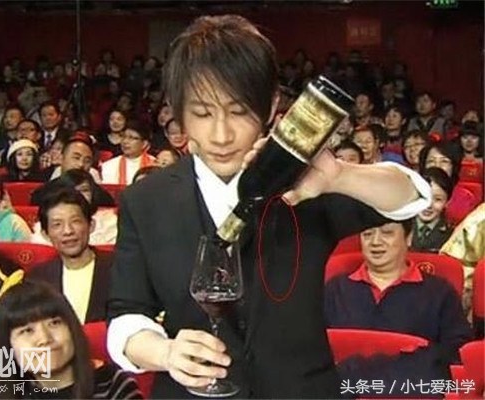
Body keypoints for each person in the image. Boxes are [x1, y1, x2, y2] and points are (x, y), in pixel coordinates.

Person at [106, 15, 431, 399]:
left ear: (272, 106)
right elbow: (125, 316)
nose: (221, 135)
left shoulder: (305, 184)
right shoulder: (146, 200)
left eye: (239, 111)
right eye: (203, 113)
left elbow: (409, 197)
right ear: (176, 112)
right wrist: (165, 352)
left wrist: (340, 176)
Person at [325, 220, 472, 395]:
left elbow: (457, 353)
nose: (375, 242)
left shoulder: (440, 292)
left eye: (387, 233)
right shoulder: (335, 289)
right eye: (367, 234)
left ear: (408, 237)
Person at [0, 281, 142, 399]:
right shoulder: (3, 394)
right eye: (27, 331)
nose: (45, 339)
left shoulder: (114, 386)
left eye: (54, 323)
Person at [27, 189, 114, 323]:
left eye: (75, 221)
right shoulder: (37, 279)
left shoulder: (118, 268)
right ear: (45, 234)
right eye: (57, 224)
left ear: (91, 225)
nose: (68, 231)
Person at [410, 167, 453, 253]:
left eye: (438, 199)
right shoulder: (401, 227)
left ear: (447, 202)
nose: (429, 205)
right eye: (423, 197)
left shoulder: (452, 235)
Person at [101, 119, 155, 185]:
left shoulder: (154, 164)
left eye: (131, 138)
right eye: (123, 137)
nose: (125, 141)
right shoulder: (109, 166)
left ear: (144, 144)